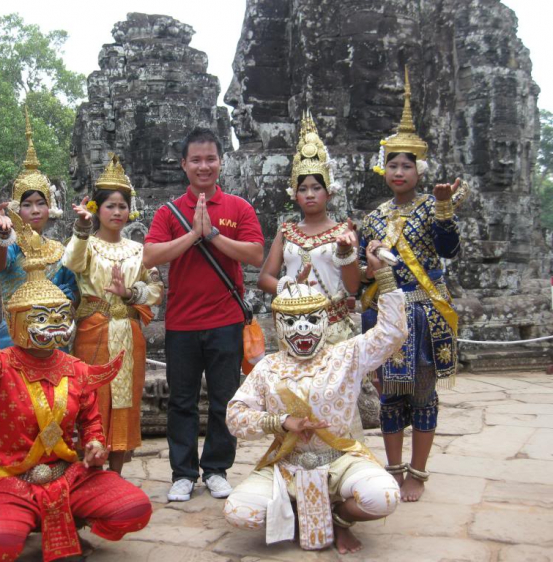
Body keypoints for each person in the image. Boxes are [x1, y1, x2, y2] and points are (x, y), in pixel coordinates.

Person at [0, 206, 152, 562]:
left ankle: (67, 512)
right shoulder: (1, 364)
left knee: (133, 507)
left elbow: (91, 421)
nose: (53, 325)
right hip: (12, 478)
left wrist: (96, 444)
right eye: (41, 318)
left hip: (67, 474)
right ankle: (24, 516)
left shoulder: (76, 369)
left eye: (59, 316)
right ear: (17, 321)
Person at [223, 246, 407, 555]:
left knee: (384, 496)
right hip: (287, 466)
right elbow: (234, 416)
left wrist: (385, 278)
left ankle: (340, 519)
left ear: (323, 320)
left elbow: (392, 333)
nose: (303, 328)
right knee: (240, 512)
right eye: (292, 322)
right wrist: (280, 422)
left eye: (311, 319)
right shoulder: (268, 367)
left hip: (340, 460)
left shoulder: (345, 354)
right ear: (279, 326)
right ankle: (295, 511)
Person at [361, 67, 468, 502]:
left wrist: (444, 209)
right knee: (389, 399)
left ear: (419, 171)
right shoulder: (373, 217)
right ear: (382, 169)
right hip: (386, 313)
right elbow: (365, 277)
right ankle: (393, 468)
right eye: (393, 163)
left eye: (407, 164)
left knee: (423, 395)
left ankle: (418, 474)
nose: (399, 170)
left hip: (423, 312)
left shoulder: (433, 206)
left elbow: (449, 248)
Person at [143, 127, 265, 502]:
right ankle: (183, 472)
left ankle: (216, 469)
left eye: (210, 158)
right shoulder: (168, 212)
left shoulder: (238, 208)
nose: (204, 166)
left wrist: (212, 235)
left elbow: (256, 255)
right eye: (195, 159)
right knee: (181, 401)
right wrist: (193, 234)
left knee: (224, 399)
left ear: (221, 162)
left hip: (226, 320)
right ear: (183, 164)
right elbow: (150, 256)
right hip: (181, 322)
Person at [63, 153, 164, 475]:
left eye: (122, 206)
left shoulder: (139, 251)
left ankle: (116, 475)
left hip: (128, 336)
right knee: (92, 400)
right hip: (94, 331)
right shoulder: (87, 245)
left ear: (130, 209)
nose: (117, 212)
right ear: (96, 208)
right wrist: (80, 229)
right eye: (110, 206)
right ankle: (89, 473)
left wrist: (130, 293)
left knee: (125, 403)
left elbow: (156, 292)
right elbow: (71, 265)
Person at [257, 110, 360, 345]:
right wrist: (291, 286)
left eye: (316, 187)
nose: (310, 194)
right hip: (294, 326)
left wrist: (346, 254)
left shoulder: (343, 231)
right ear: (295, 194)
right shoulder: (287, 232)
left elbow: (353, 286)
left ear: (328, 191)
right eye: (303, 189)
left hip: (333, 325)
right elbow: (265, 278)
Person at [0, 109, 77, 349]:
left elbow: (74, 294)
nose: (35, 210)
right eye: (27, 204)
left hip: (55, 335)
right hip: (14, 336)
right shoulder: (13, 246)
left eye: (41, 203)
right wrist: (2, 234)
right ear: (16, 209)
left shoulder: (60, 251)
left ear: (51, 208)